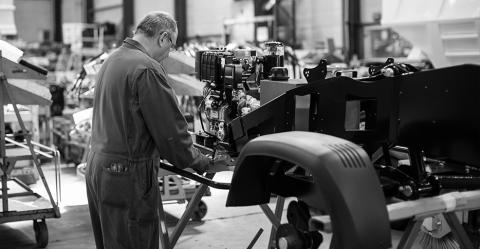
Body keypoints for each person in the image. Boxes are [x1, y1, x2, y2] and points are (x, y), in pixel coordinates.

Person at [85, 11, 222, 249]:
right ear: (163, 37)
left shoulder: (112, 59)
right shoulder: (146, 68)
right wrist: (204, 161)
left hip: (98, 167)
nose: (169, 53)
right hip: (126, 174)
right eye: (171, 46)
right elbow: (171, 135)